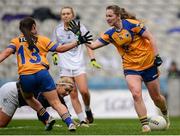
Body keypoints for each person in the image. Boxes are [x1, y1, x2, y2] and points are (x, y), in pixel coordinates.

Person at [68, 5, 170, 132]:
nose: (107, 18)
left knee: (156, 98)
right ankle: (144, 125)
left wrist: (157, 56)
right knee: (136, 94)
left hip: (149, 64)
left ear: (118, 16)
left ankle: (165, 114)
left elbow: (150, 37)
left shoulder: (133, 24)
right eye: (106, 16)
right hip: (130, 67)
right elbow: (93, 46)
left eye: (110, 16)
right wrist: (80, 37)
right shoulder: (109, 34)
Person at [0, 17, 92, 131]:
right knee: (56, 102)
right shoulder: (42, 39)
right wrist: (78, 42)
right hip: (42, 73)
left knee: (29, 98)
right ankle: (70, 123)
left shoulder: (16, 41)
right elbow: (61, 49)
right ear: (33, 27)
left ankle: (47, 117)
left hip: (26, 76)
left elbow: (5, 53)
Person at [51, 6, 101, 125]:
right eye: (63, 14)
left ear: (73, 15)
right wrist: (55, 55)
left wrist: (92, 59)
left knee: (84, 91)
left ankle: (88, 109)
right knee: (72, 93)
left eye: (68, 13)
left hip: (79, 64)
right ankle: (82, 120)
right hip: (64, 66)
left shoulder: (80, 28)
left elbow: (89, 43)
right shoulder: (57, 29)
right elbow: (53, 45)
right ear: (61, 16)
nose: (66, 15)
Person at [0, 77, 74, 130]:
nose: (67, 93)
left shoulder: (58, 96)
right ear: (59, 85)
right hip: (13, 92)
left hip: (16, 93)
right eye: (66, 90)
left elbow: (64, 108)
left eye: (70, 92)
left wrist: (70, 121)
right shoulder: (48, 90)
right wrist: (47, 123)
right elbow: (39, 109)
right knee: (2, 124)